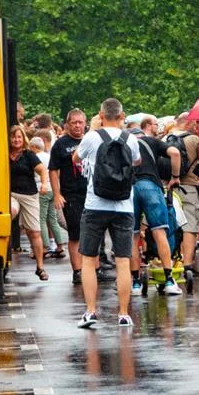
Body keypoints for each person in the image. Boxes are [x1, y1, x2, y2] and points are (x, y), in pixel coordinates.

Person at [72, 99, 141, 328]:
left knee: (88, 260)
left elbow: (76, 158)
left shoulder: (92, 137)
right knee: (122, 261)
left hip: (95, 205)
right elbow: (136, 161)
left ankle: (91, 312)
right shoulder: (130, 139)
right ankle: (123, 314)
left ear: (100, 115)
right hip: (123, 206)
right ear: (122, 116)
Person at [131, 115, 182, 296]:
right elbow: (175, 153)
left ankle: (135, 283)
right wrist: (175, 177)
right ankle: (169, 280)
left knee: (133, 236)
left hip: (130, 189)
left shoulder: (124, 143)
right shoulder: (151, 141)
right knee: (160, 232)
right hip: (151, 186)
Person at [50, 108, 89, 284]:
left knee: (93, 233)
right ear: (67, 125)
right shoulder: (61, 144)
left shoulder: (90, 140)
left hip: (91, 193)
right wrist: (57, 194)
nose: (77, 126)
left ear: (85, 124)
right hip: (71, 194)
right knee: (75, 233)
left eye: (80, 122)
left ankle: (95, 268)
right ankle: (77, 271)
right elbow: (53, 170)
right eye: (74, 123)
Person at [165, 115, 199, 273]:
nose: (197, 127)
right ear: (188, 123)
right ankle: (187, 264)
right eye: (195, 124)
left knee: (169, 224)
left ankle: (170, 261)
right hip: (189, 187)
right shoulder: (194, 140)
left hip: (168, 186)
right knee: (190, 225)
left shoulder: (164, 139)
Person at [9, 126, 50, 280]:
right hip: (11, 194)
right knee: (11, 211)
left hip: (29, 195)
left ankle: (40, 267)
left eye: (19, 137)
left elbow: (42, 170)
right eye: (13, 137)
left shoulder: (29, 155)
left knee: (34, 232)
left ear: (23, 138)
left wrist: (44, 184)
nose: (16, 140)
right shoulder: (4, 153)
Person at [31, 131, 68, 258]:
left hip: (42, 189)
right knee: (53, 219)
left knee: (41, 219)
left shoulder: (35, 158)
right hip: (53, 189)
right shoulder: (49, 156)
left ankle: (45, 247)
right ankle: (60, 245)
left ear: (34, 147)